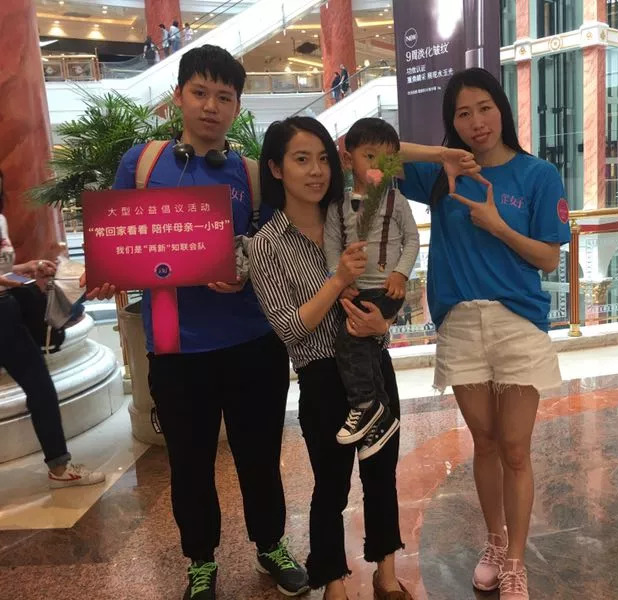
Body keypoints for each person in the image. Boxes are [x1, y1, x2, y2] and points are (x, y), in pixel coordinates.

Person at [81, 46, 308, 600]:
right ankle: (201, 561)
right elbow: (120, 239)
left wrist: (246, 273)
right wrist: (108, 273)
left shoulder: (251, 174)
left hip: (252, 342)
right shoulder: (141, 164)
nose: (211, 106)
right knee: (189, 464)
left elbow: (270, 248)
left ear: (237, 107)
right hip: (176, 347)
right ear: (177, 96)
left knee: (259, 456)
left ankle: (271, 544)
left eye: (224, 97)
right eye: (200, 93)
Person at [397, 68, 570, 599]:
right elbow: (363, 153)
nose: (476, 122)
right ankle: (494, 541)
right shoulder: (441, 175)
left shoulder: (539, 175)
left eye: (485, 108)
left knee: (515, 448)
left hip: (517, 324)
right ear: (451, 123)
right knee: (486, 442)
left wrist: (498, 226)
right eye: (463, 114)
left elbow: (548, 258)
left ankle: (515, 559)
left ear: (503, 109)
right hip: (461, 325)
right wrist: (440, 155)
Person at [248, 116, 412, 600]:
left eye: (322, 158)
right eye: (301, 159)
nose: (316, 171)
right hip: (320, 376)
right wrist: (337, 279)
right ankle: (332, 581)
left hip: (373, 363)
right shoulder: (266, 245)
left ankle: (386, 573)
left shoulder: (354, 211)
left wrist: (385, 325)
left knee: (382, 475)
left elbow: (388, 282)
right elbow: (289, 328)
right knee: (331, 486)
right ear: (276, 168)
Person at [0, 170, 105, 489]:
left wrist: (28, 268)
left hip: (6, 313)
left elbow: (4, 270)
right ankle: (59, 466)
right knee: (39, 385)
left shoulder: (0, 220)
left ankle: (59, 466)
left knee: (40, 386)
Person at [323, 118, 420, 457]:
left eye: (387, 159)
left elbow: (412, 240)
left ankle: (366, 404)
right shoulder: (337, 207)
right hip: (355, 291)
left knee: (350, 341)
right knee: (365, 350)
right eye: (369, 156)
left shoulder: (396, 200)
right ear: (348, 159)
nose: (378, 165)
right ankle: (382, 418)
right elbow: (332, 248)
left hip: (387, 290)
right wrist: (339, 283)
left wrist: (401, 275)